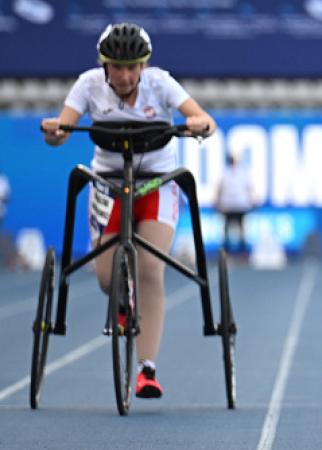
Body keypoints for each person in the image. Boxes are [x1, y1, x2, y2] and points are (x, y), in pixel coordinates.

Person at [41, 23, 216, 399]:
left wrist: (200, 123)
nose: (124, 75)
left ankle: (146, 369)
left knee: (150, 267)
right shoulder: (88, 84)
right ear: (104, 66)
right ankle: (122, 303)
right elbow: (63, 130)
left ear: (143, 66)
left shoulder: (161, 83)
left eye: (132, 67)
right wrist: (56, 131)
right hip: (108, 182)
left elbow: (202, 118)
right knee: (107, 278)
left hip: (156, 180)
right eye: (116, 67)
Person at [214, 153, 255, 256]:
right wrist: (217, 202)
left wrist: (252, 201)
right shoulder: (225, 173)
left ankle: (242, 250)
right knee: (227, 228)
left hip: (240, 204)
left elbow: (249, 188)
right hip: (228, 204)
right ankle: (226, 251)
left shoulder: (242, 173)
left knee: (241, 228)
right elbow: (219, 189)